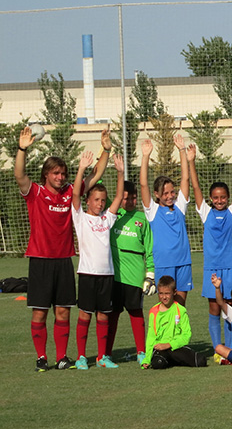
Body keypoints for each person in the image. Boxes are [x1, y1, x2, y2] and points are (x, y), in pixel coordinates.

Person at [17, 125, 111, 371]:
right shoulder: (35, 192)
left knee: (63, 312)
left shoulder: (71, 192)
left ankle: (61, 358)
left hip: (64, 261)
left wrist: (106, 150)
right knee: (39, 314)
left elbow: (96, 174)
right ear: (46, 174)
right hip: (39, 260)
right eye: (55, 173)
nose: (60, 177)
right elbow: (19, 175)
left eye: (63, 173)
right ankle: (41, 358)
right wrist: (22, 150)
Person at [71, 151, 125, 369]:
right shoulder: (81, 218)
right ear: (88, 201)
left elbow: (119, 197)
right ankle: (82, 356)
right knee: (85, 315)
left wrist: (121, 173)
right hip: (87, 274)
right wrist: (82, 169)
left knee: (103, 316)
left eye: (103, 200)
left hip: (106, 276)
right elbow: (75, 195)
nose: (100, 204)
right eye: (96, 200)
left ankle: (103, 357)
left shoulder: (107, 219)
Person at [188, 141, 232, 347]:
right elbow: (195, 186)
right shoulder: (206, 213)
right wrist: (191, 162)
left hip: (231, 267)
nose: (219, 200)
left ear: (228, 198)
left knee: (230, 306)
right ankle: (217, 348)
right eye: (216, 197)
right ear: (211, 199)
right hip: (212, 268)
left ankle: (230, 347)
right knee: (213, 308)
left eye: (223, 197)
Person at [107, 177, 155, 363]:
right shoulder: (112, 216)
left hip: (135, 276)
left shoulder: (142, 218)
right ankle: (107, 352)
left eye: (133, 198)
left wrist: (150, 274)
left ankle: (141, 352)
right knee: (112, 315)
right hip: (114, 276)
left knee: (136, 313)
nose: (129, 201)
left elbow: (149, 248)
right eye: (125, 198)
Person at [140, 136, 192, 305]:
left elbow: (185, 179)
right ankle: (166, 333)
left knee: (180, 307)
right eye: (165, 193)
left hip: (183, 261)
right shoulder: (152, 211)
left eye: (172, 192)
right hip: (163, 263)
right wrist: (146, 156)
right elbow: (143, 185)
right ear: (157, 194)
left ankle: (179, 332)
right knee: (166, 305)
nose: (170, 196)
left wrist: (182, 151)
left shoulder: (180, 206)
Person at [145, 275, 204, 369]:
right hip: (160, 348)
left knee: (200, 361)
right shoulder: (153, 311)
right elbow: (151, 336)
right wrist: (147, 359)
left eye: (167, 293)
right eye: (161, 293)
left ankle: (173, 359)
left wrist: (169, 345)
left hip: (175, 347)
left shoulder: (181, 310)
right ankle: (171, 360)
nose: (164, 297)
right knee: (158, 363)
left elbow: (186, 335)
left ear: (174, 292)